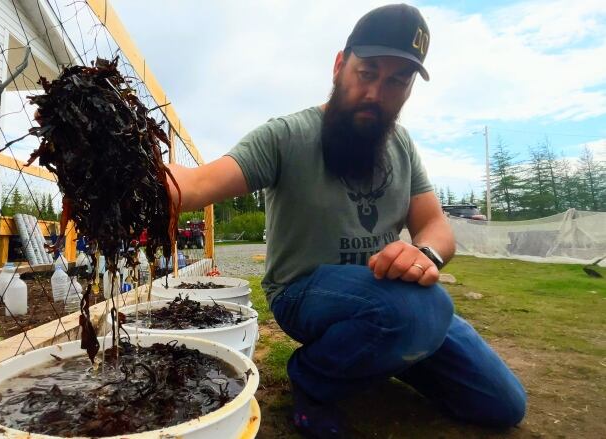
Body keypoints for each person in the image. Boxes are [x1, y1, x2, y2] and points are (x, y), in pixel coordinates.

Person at [167, 4, 526, 438]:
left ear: (411, 88)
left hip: (394, 300)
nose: (377, 93)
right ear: (340, 65)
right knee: (419, 311)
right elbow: (197, 185)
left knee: (502, 403)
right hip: (304, 292)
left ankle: (393, 350)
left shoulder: (402, 145)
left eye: (398, 80)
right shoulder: (287, 136)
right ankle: (313, 380)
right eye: (367, 72)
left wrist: (424, 253)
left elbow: (436, 225)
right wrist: (130, 174)